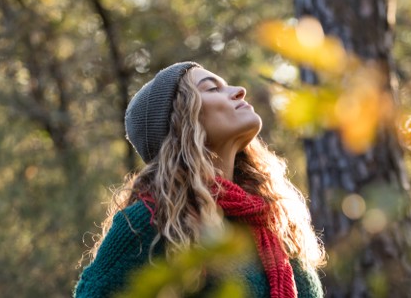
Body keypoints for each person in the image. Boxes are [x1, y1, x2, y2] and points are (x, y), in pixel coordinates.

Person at [74, 62, 325, 297]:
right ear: (183, 121)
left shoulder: (272, 222)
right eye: (213, 88)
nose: (240, 91)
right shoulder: (152, 221)